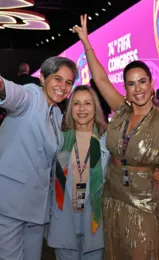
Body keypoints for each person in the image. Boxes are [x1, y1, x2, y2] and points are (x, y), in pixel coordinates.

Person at [73, 14, 159, 259]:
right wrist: (86, 42)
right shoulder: (122, 110)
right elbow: (100, 78)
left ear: (151, 84)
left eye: (142, 82)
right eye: (131, 84)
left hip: (143, 202)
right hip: (113, 194)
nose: (137, 88)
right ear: (125, 89)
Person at [0, 57, 78, 260]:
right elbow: (10, 92)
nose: (62, 87)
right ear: (42, 78)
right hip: (10, 204)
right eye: (57, 79)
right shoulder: (31, 97)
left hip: (37, 209)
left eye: (68, 82)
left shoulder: (57, 115)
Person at [46, 85, 109, 260]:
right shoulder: (58, 140)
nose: (82, 109)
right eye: (76, 104)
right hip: (63, 220)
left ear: (95, 108)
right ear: (70, 109)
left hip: (95, 223)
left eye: (87, 103)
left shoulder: (107, 142)